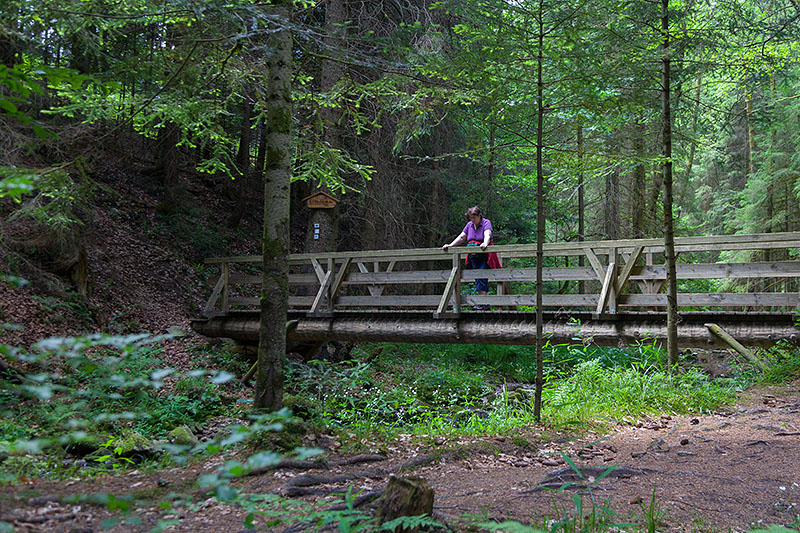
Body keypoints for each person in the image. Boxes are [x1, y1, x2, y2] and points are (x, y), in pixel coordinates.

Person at [442, 206, 493, 309]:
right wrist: (450, 245)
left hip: (484, 255)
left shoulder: (486, 222)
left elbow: (487, 234)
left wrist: (485, 243)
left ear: (479, 216)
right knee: (477, 277)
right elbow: (462, 237)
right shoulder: (469, 225)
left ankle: (482, 302)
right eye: (471, 217)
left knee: (482, 275)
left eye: (474, 217)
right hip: (473, 256)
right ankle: (484, 302)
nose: (473, 220)